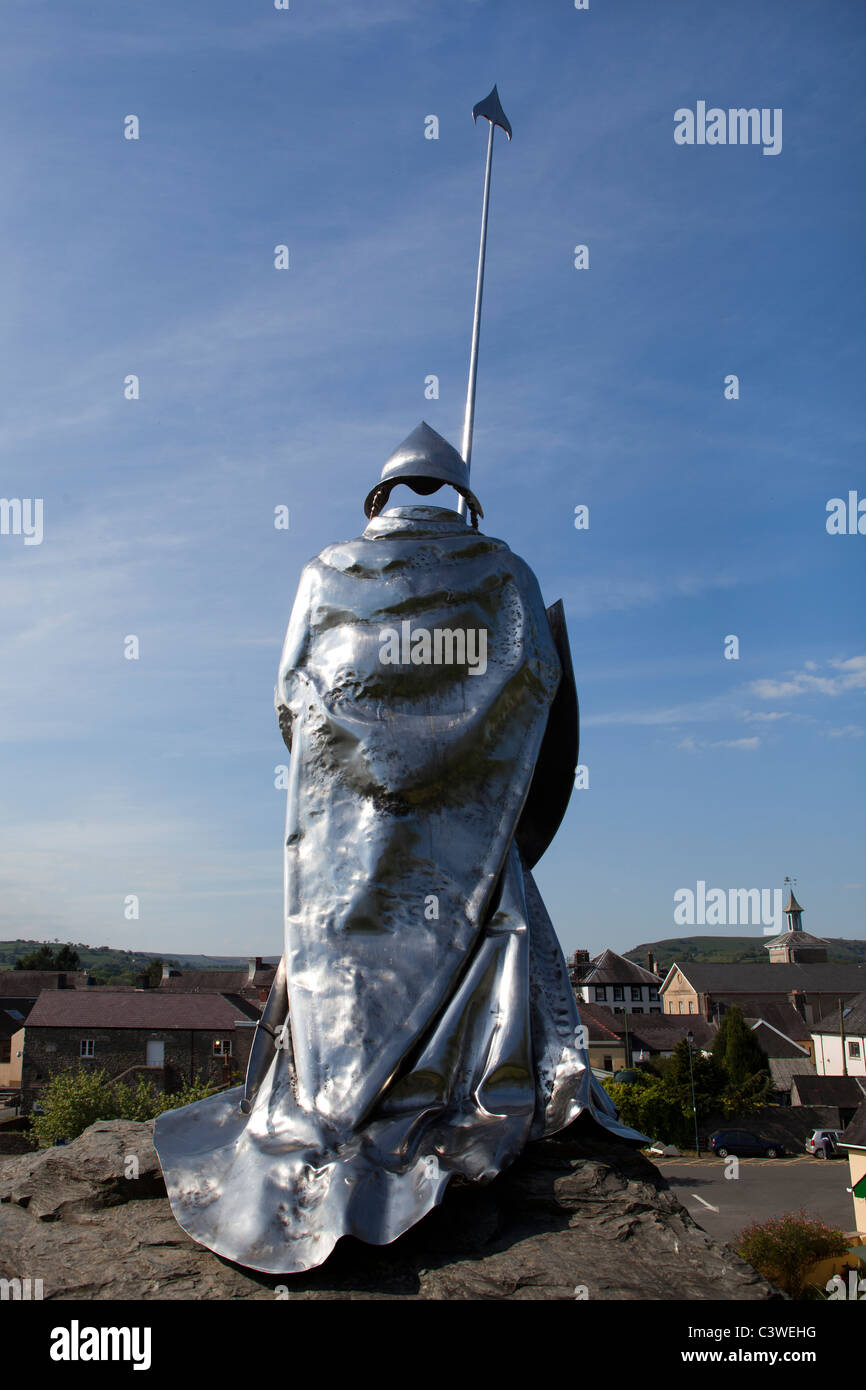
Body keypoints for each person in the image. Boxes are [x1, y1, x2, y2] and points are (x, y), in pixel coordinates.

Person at [153, 422, 644, 1275]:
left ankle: (331, 1099)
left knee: (344, 962)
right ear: (459, 495)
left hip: (350, 826)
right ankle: (445, 1093)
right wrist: (462, 755)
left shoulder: (324, 571)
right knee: (493, 916)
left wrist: (366, 761)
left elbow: (288, 701)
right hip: (469, 828)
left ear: (381, 497)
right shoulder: (508, 574)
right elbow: (539, 683)